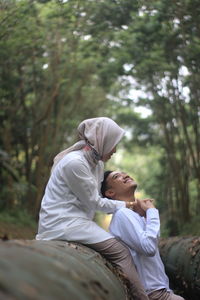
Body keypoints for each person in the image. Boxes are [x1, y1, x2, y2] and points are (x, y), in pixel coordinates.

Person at [36, 117, 148, 300]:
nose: (115, 150)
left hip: (78, 221)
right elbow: (95, 203)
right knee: (121, 252)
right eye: (113, 144)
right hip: (63, 222)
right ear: (103, 141)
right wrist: (129, 206)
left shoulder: (97, 163)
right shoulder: (75, 162)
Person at [101, 170, 185, 300]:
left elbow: (152, 243)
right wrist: (151, 211)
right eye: (117, 176)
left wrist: (145, 217)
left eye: (124, 173)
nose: (125, 175)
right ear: (110, 193)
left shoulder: (129, 214)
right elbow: (149, 247)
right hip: (154, 293)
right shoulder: (122, 214)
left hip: (159, 290)